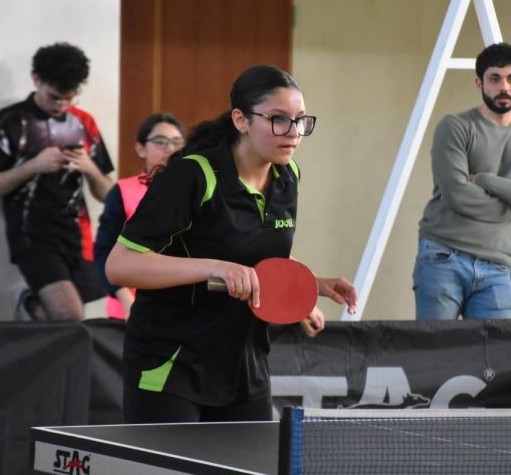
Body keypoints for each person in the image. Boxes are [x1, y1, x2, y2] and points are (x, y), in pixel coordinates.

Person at [105, 65, 358, 423]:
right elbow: (120, 265)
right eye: (278, 119)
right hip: (172, 362)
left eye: (300, 120)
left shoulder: (288, 176)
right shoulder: (194, 175)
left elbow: (256, 252)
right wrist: (215, 267)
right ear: (241, 120)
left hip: (243, 362)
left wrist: (310, 284)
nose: (293, 132)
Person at [413, 42, 511, 320]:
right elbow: (458, 196)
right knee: (435, 348)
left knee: (501, 348)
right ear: (479, 83)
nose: (504, 87)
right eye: (494, 79)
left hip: (497, 267)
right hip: (443, 255)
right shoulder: (455, 127)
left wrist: (485, 180)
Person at [0, 42, 114, 321]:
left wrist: (90, 169)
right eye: (54, 97)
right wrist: (32, 166)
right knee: (70, 313)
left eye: (69, 98)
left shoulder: (84, 123)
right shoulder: (7, 122)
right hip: (32, 233)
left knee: (95, 296)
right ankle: (35, 306)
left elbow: (109, 195)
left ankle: (32, 305)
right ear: (36, 79)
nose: (61, 105)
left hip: (77, 233)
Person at [93, 112, 186, 319]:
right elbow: (104, 251)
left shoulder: (193, 192)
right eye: (160, 141)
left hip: (181, 307)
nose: (170, 148)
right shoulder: (123, 191)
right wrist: (126, 300)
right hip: (130, 307)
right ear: (140, 148)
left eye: (177, 142)